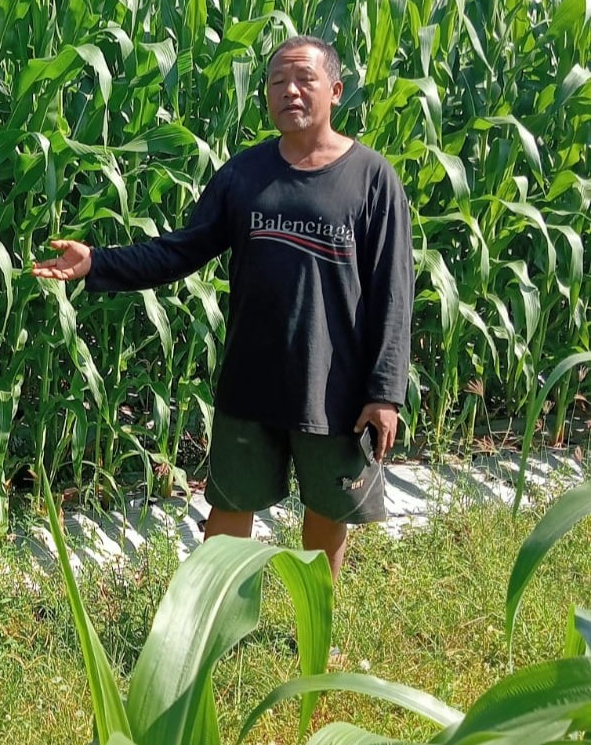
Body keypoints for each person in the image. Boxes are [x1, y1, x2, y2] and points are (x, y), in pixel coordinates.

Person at [32, 36, 413, 584]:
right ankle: (212, 620)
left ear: (335, 90)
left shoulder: (372, 179)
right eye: (277, 82)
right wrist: (98, 262)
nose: (290, 91)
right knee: (230, 508)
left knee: (326, 516)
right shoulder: (245, 175)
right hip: (251, 379)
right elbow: (181, 250)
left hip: (335, 387)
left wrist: (384, 393)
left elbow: (393, 291)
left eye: (304, 79)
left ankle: (316, 624)